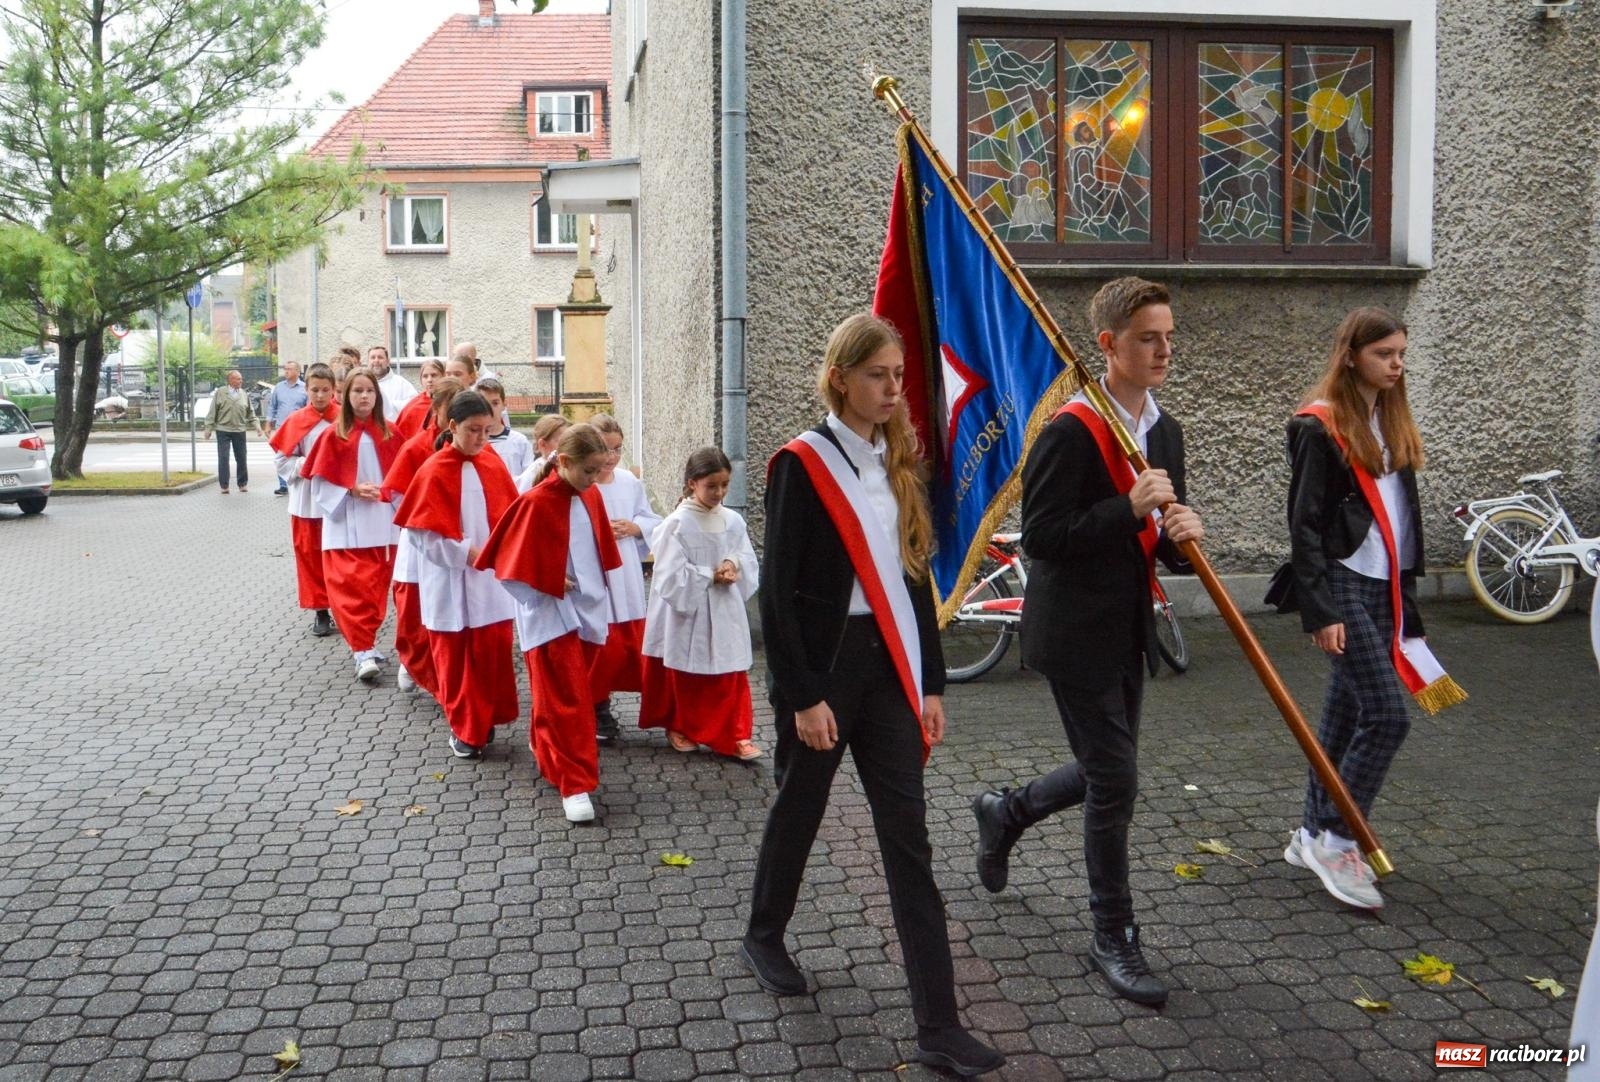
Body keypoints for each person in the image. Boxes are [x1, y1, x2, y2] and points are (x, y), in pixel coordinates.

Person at [745, 313, 1003, 1078]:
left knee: (909, 843)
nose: (893, 388)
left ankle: (938, 1025)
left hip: (889, 668)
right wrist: (801, 696)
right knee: (800, 807)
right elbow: (778, 594)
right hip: (824, 671)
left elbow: (913, 579)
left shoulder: (900, 461)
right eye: (877, 375)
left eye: (898, 375)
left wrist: (930, 680)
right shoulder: (801, 463)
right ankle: (764, 933)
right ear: (840, 379)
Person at [970, 277, 1203, 1007]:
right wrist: (1123, 508)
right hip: (1071, 632)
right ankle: (1113, 933)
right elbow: (1041, 539)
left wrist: (1183, 539)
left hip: (1126, 626)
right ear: (1108, 344)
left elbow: (1158, 543)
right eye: (1147, 338)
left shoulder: (1164, 431)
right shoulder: (1070, 430)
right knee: (1116, 781)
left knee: (1110, 770)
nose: (1163, 349)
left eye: (1168, 335)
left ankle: (1006, 811)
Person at [1269, 307, 1459, 910]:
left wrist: (1408, 595)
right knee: (1387, 716)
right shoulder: (1319, 425)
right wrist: (1321, 611)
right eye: (1385, 354)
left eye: (1401, 354)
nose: (1396, 365)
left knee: (1345, 716)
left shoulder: (1389, 420)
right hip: (1342, 583)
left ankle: (1309, 833)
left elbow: (1401, 520)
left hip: (1385, 587)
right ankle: (1338, 836)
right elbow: (1304, 526)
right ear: (1351, 354)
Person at [475, 424, 620, 824]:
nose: (595, 479)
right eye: (589, 470)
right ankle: (575, 783)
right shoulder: (536, 502)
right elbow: (509, 567)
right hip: (550, 615)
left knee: (562, 697)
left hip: (588, 611)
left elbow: (600, 554)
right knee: (568, 701)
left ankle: (545, 747)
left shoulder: (589, 495)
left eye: (599, 470)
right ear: (566, 462)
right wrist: (549, 579)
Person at [395, 391, 521, 758]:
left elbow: (511, 515)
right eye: (473, 430)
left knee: (490, 654)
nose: (481, 439)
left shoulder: (492, 464)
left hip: (488, 581)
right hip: (449, 581)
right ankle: (466, 729)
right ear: (451, 427)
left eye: (486, 430)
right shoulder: (433, 469)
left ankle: (485, 719)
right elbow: (422, 533)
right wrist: (465, 551)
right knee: (456, 660)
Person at [639, 446, 759, 759]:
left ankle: (736, 733)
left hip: (723, 607)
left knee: (731, 671)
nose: (719, 492)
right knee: (688, 672)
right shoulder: (677, 525)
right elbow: (668, 575)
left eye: (724, 486)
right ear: (693, 483)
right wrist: (709, 575)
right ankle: (681, 725)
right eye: (711, 486)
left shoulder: (732, 520)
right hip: (690, 609)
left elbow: (743, 552)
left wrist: (733, 563)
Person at [302, 369, 403, 682]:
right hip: (346, 525)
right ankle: (361, 650)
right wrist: (351, 489)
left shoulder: (391, 433)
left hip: (384, 526)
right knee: (350, 592)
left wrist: (391, 494)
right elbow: (318, 485)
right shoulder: (333, 435)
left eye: (369, 391)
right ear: (346, 396)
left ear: (377, 396)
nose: (364, 396)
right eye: (357, 391)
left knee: (374, 593)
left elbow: (404, 476)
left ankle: (367, 642)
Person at [383, 378, 468, 699]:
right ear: (438, 409)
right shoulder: (417, 447)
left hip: (458, 541)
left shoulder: (473, 448)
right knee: (414, 613)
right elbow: (397, 494)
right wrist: (423, 517)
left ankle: (445, 678)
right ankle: (414, 663)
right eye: (451, 408)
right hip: (420, 542)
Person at [586, 413, 661, 743]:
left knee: (627, 645)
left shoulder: (629, 483)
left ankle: (651, 705)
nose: (613, 457)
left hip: (626, 571)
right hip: (595, 571)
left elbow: (649, 517)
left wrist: (635, 527)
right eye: (606, 449)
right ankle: (597, 708)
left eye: (618, 449)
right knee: (598, 646)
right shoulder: (582, 484)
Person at [269, 362, 339, 636]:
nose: (320, 396)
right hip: (307, 500)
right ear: (306, 390)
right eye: (314, 390)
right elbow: (282, 461)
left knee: (338, 558)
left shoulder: (344, 418)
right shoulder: (297, 420)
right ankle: (320, 610)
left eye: (325, 390)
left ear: (333, 390)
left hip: (338, 499)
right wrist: (308, 465)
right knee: (310, 558)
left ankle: (342, 608)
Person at [205, 369, 253, 494]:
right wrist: (208, 428)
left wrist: (257, 426)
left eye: (241, 379)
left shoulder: (243, 393)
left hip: (239, 429)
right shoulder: (221, 392)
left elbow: (250, 412)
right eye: (238, 379)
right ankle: (224, 485)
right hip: (223, 429)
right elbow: (212, 411)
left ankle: (242, 483)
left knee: (242, 457)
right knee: (223, 457)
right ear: (230, 380)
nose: (241, 381)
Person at [475, 378, 534, 481]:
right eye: (484, 403)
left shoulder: (519, 441)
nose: (490, 409)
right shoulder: (473, 442)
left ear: (504, 405)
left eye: (495, 403)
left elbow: (529, 478)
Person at [266, 361, 307, 495]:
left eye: (289, 369)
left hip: (299, 429)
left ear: (297, 371)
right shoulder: (278, 387)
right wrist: (268, 423)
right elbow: (272, 406)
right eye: (285, 368)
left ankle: (297, 480)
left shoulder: (304, 388)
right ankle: (283, 485)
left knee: (298, 455)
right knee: (281, 455)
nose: (286, 371)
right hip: (281, 427)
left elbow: (308, 409)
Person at [516, 414, 570, 491]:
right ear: (543, 444)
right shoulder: (533, 474)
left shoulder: (567, 467)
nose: (567, 445)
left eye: (569, 440)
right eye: (561, 441)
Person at [394, 359, 444, 440]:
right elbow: (399, 436)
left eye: (434, 375)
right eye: (425, 376)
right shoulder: (413, 406)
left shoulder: (449, 402)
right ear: (421, 380)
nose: (429, 380)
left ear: (443, 376)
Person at [368, 345, 419, 424]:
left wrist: (389, 405)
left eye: (380, 357)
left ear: (388, 362)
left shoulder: (401, 383)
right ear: (368, 362)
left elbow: (414, 405)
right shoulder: (364, 383)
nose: (376, 360)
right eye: (373, 357)